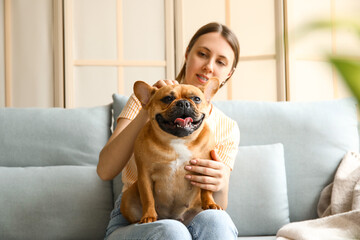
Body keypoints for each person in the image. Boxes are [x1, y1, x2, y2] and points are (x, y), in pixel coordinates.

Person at [97, 22, 240, 240]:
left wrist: (220, 182)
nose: (209, 66)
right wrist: (151, 107)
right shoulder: (150, 99)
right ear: (187, 53)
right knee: (171, 232)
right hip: (137, 217)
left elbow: (218, 205)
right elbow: (105, 170)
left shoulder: (227, 127)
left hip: (192, 213)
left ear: (229, 73)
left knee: (218, 222)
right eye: (202, 54)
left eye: (220, 62)